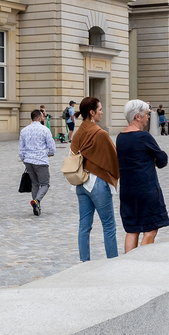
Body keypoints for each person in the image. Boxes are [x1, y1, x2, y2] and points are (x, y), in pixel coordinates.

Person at [116, 100, 169, 253]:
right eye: (146, 114)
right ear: (137, 117)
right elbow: (162, 160)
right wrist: (152, 159)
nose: (148, 117)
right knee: (151, 229)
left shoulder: (120, 138)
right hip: (146, 189)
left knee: (132, 230)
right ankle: (141, 262)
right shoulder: (144, 137)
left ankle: (127, 265)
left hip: (127, 190)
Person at [70, 97, 120, 261]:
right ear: (92, 112)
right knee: (109, 226)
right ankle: (113, 262)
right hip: (97, 183)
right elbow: (113, 158)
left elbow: (73, 155)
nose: (102, 112)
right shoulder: (100, 134)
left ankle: (84, 262)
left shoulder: (78, 134)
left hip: (81, 182)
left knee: (84, 226)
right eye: (100, 109)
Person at [19, 109, 56, 216]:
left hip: (28, 161)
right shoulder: (44, 130)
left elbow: (21, 149)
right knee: (45, 184)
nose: (43, 118)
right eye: (43, 117)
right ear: (39, 118)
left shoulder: (24, 130)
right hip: (41, 161)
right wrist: (51, 153)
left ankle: (36, 207)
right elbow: (52, 146)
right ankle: (37, 201)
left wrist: (24, 159)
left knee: (34, 184)